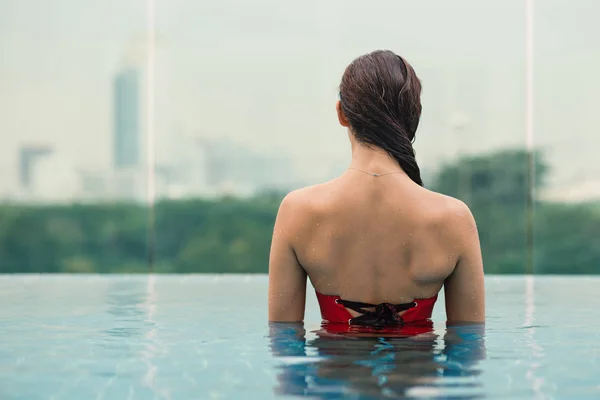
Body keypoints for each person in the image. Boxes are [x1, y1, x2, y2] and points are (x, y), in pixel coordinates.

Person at [268, 50, 485, 332]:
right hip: (419, 374)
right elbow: (467, 347)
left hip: (334, 374)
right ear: (413, 116)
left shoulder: (298, 211)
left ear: (342, 114)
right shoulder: (453, 218)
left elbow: (284, 343)